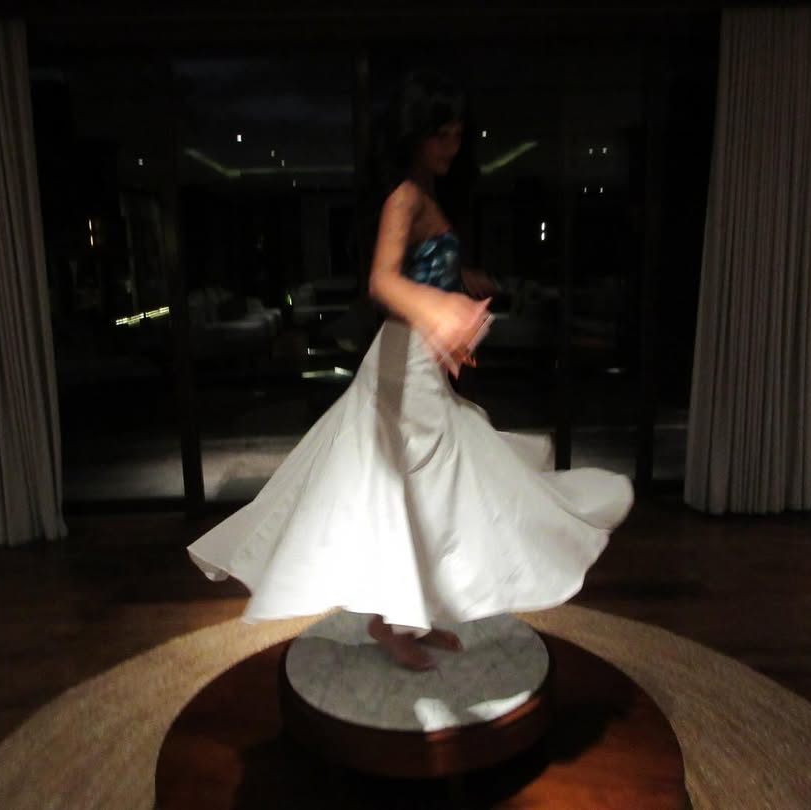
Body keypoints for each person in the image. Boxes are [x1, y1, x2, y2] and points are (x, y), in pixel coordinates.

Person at [188, 69, 633, 671]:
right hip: (404, 362)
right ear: (415, 135)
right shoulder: (405, 197)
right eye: (440, 135)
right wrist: (439, 308)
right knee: (421, 486)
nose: (452, 146)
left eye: (457, 135)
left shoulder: (426, 196)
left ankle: (402, 616)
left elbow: (420, 272)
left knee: (420, 489)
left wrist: (459, 285)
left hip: (417, 361)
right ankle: (396, 618)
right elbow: (381, 282)